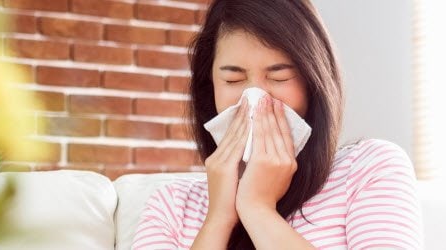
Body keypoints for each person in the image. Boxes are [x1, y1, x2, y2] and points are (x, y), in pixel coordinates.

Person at [131, 0, 422, 249]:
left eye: (279, 77)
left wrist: (257, 209)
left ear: (313, 82)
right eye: (233, 80)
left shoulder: (368, 169)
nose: (256, 99)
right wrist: (218, 218)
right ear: (210, 90)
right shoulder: (170, 206)